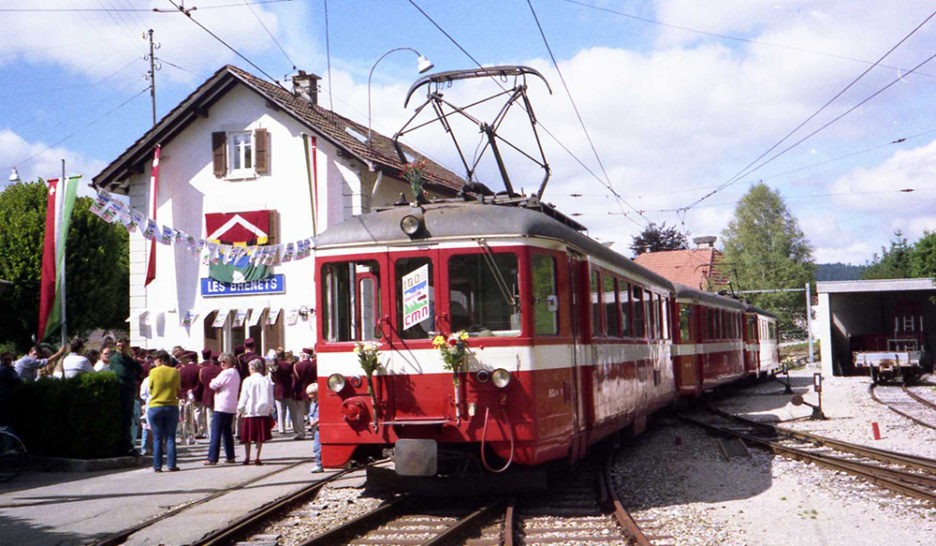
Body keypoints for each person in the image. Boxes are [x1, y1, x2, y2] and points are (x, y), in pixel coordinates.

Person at [204, 352, 240, 465]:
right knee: (227, 432)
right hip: (231, 405)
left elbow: (213, 384)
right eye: (221, 361)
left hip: (221, 406)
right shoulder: (236, 372)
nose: (222, 363)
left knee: (216, 432)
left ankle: (212, 457)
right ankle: (230, 456)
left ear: (230, 361)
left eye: (224, 361)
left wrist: (213, 382)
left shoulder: (226, 373)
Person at [147, 350, 180, 472]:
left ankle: (157, 466)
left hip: (155, 405)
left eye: (155, 360)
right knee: (170, 437)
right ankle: (171, 465)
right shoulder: (174, 371)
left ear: (160, 360)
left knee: (157, 438)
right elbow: (177, 387)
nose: (154, 363)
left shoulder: (153, 372)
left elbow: (150, 388)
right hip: (171, 405)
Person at [237, 358, 274, 465]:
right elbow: (270, 396)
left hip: (249, 411)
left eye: (249, 367)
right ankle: (257, 457)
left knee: (247, 437)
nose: (248, 369)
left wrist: (240, 409)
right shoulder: (266, 380)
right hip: (262, 411)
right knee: (259, 437)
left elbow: (244, 396)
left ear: (252, 368)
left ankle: (247, 456)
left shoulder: (247, 380)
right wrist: (270, 409)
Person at [109, 337, 143, 456]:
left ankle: (127, 445)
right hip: (123, 390)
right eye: (118, 346)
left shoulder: (127, 358)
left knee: (128, 420)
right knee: (124, 419)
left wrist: (134, 364)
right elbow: (122, 373)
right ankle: (124, 446)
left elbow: (140, 370)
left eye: (123, 346)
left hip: (129, 390)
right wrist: (133, 374)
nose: (120, 348)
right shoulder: (116, 358)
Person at [271, 350, 303, 438]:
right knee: (292, 410)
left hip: (278, 389)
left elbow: (273, 379)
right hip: (288, 389)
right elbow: (292, 377)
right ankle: (296, 427)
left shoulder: (274, 366)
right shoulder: (288, 365)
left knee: (280, 411)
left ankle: (282, 429)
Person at [178, 352, 200, 445]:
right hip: (195, 396)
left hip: (183, 397)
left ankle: (184, 436)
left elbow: (179, 385)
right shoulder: (199, 369)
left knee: (184, 418)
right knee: (191, 418)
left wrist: (181, 395)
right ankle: (191, 436)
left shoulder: (180, 370)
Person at [293, 347, 317, 433]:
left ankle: (301, 433)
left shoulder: (297, 366)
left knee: (300, 414)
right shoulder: (314, 365)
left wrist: (294, 392)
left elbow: (295, 382)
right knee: (313, 412)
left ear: (303, 355)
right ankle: (314, 432)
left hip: (301, 392)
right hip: (312, 391)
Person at [0, 352, 21, 429]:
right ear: (2, 360)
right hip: (5, 400)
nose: (8, 361)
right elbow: (18, 381)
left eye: (10, 359)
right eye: (6, 359)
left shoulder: (8, 369)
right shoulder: (5, 370)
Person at [306, 383, 322, 473]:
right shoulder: (313, 403)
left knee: (318, 446)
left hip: (319, 426)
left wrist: (313, 422)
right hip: (316, 428)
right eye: (309, 394)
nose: (310, 396)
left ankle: (319, 464)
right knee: (317, 446)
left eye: (312, 394)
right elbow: (311, 414)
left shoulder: (321, 403)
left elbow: (322, 415)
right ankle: (319, 463)